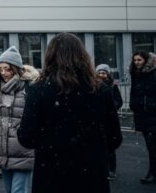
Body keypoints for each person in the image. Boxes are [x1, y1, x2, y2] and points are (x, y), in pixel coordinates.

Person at [18, 33, 122, 193]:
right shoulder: (101, 91)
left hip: (51, 175)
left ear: (50, 57)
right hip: (92, 176)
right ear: (82, 57)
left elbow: (26, 137)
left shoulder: (38, 90)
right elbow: (115, 138)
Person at [0, 46, 38, 193]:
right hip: (4, 151)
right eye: (1, 69)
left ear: (16, 68)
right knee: (10, 190)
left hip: (23, 150)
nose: (4, 72)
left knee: (18, 191)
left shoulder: (29, 87)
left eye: (8, 68)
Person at [129, 50, 156, 184]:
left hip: (152, 115)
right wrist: (134, 106)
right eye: (135, 60)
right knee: (151, 145)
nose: (136, 63)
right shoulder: (136, 74)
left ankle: (152, 173)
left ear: (145, 60)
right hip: (143, 115)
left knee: (152, 146)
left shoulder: (153, 74)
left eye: (139, 60)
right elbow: (134, 93)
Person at [96, 63, 123, 179]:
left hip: (109, 119)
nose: (102, 75)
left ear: (107, 74)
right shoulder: (93, 85)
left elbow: (119, 100)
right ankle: (101, 168)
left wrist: (113, 107)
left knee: (110, 147)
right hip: (98, 119)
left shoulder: (112, 86)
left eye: (104, 73)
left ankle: (112, 169)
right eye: (100, 73)